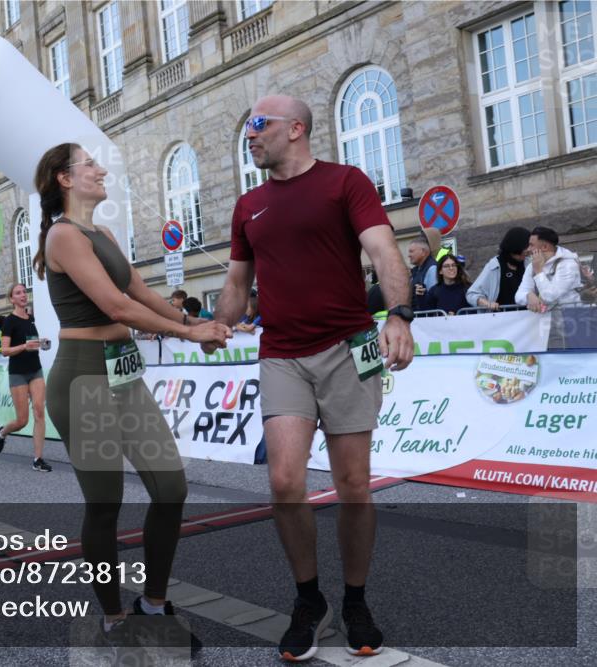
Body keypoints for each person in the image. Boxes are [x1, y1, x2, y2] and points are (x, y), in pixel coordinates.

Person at [208, 96, 414, 661]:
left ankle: (354, 600)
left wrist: (398, 314)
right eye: (247, 126)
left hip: (348, 350)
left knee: (353, 485)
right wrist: (216, 325)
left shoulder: (346, 182)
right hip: (282, 355)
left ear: (295, 129)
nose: (249, 135)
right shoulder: (248, 204)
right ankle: (308, 600)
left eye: (258, 125)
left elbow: (383, 251)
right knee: (283, 482)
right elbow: (236, 283)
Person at [34, 142, 231, 654]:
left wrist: (195, 321)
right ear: (65, 179)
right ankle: (116, 617)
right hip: (83, 380)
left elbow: (142, 295)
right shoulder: (63, 234)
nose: (100, 170)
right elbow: (114, 304)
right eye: (89, 165)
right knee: (106, 506)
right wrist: (189, 336)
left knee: (171, 488)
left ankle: (153, 604)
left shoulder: (104, 233)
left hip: (124, 376)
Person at [0, 283, 52, 472]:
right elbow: (4, 351)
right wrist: (24, 347)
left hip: (35, 370)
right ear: (12, 299)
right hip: (18, 372)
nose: (23, 295)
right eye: (18, 293)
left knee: (39, 412)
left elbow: (31, 343)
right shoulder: (9, 321)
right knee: (22, 421)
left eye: (24, 292)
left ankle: (38, 459)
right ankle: (2, 433)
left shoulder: (31, 318)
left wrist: (42, 344)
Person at [466, 227, 531, 310]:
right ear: (517, 245)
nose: (530, 249)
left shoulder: (530, 263)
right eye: (527, 245)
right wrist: (487, 303)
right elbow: (472, 294)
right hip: (502, 320)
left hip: (529, 318)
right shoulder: (494, 265)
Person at [408, 227, 440, 311]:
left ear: (423, 252)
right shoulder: (417, 270)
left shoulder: (432, 269)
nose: (409, 255)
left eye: (411, 251)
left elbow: (433, 299)